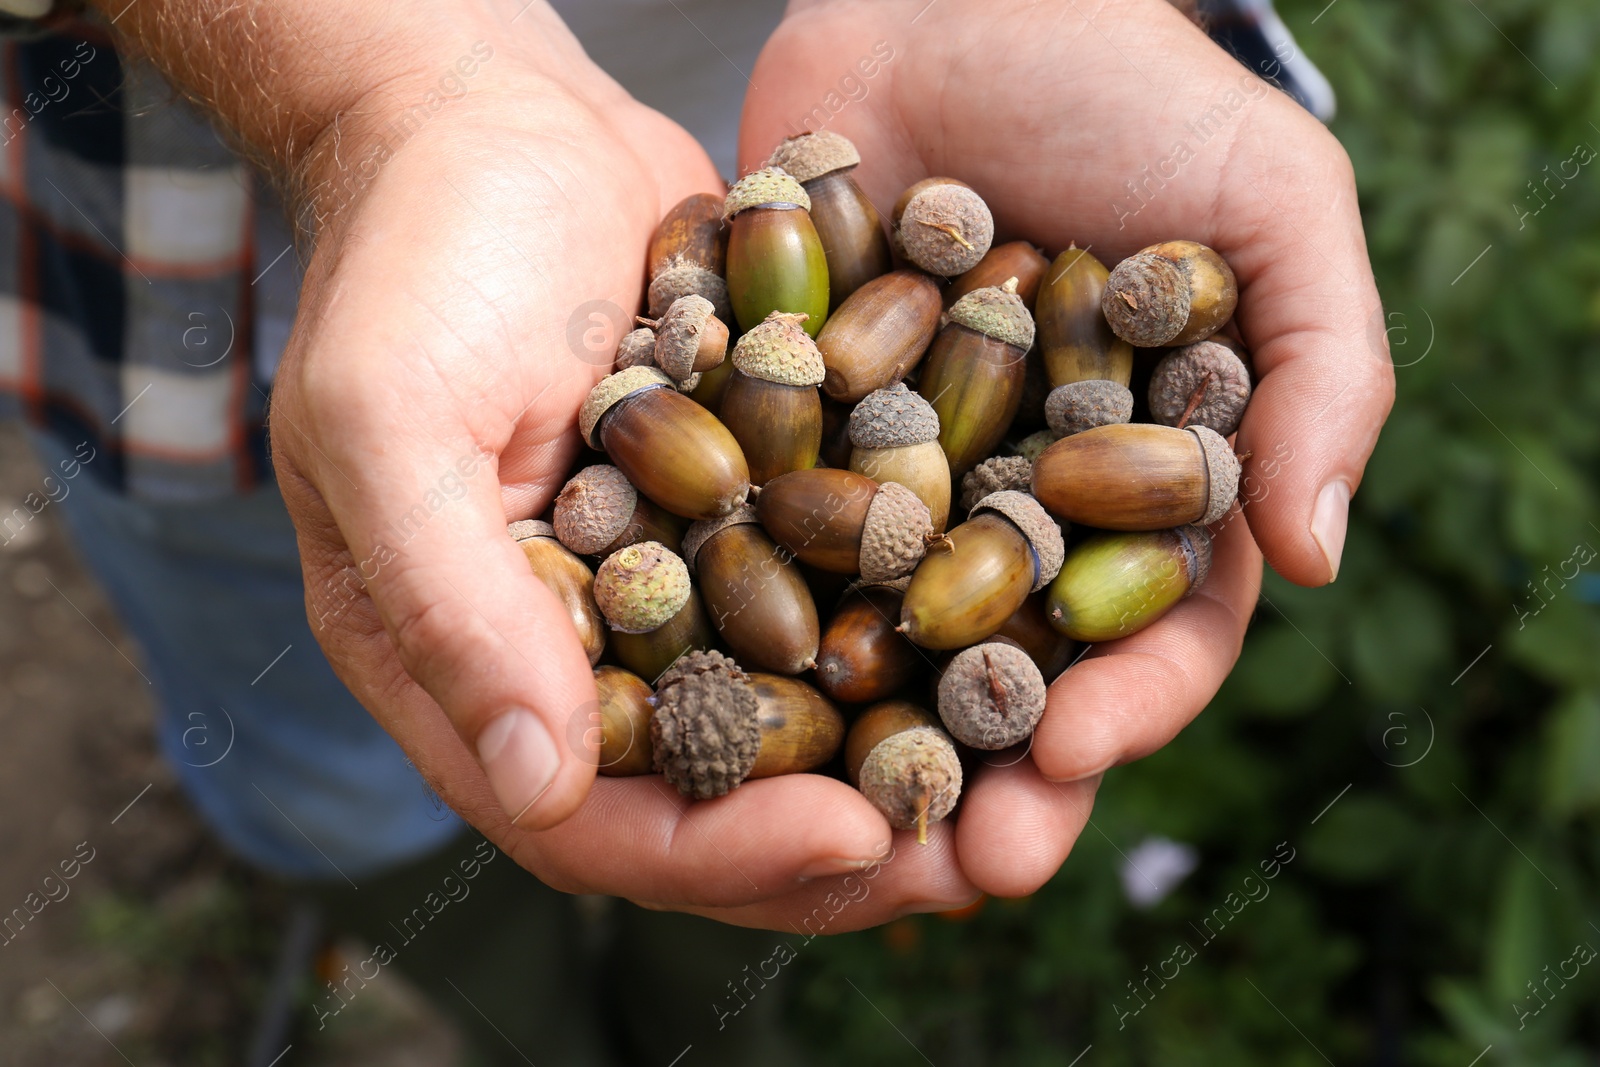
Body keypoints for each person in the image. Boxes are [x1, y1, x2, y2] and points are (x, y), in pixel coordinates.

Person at [0, 0, 1394, 1061]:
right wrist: (378, 89)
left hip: (792, 80)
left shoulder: (866, 447)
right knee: (316, 744)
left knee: (759, 845)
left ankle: (695, 1025)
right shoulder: (756, 445)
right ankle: (529, 1024)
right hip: (181, 247)